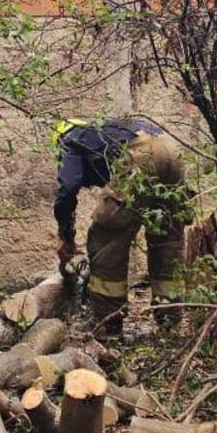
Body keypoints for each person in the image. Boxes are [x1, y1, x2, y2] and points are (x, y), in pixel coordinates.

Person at [52, 119, 188, 337]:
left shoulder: (71, 140)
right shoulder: (102, 133)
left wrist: (65, 234)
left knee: (106, 237)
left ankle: (108, 322)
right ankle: (170, 321)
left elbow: (68, 188)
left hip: (141, 154)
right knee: (167, 236)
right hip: (172, 149)